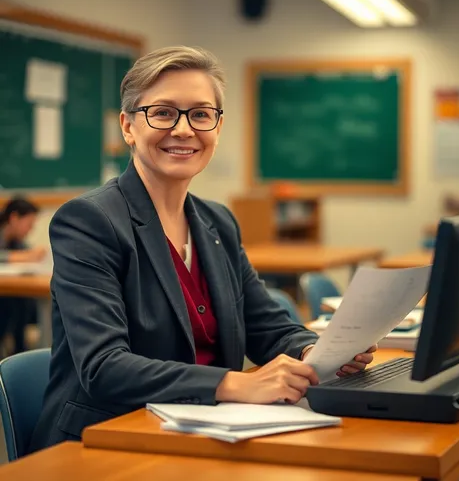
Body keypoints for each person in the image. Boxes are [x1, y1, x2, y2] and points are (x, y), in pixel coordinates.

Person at [29, 46, 375, 452]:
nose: (183, 129)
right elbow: (104, 367)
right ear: (128, 126)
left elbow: (265, 325)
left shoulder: (218, 222)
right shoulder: (88, 222)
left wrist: (317, 351)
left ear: (217, 126)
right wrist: (235, 382)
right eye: (162, 112)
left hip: (209, 432)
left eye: (200, 114)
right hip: (108, 440)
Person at [0, 197, 45, 354]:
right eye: (29, 225)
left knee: (25, 301)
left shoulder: (16, 241)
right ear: (14, 218)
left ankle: (20, 348)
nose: (30, 230)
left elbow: (26, 253)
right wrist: (25, 256)